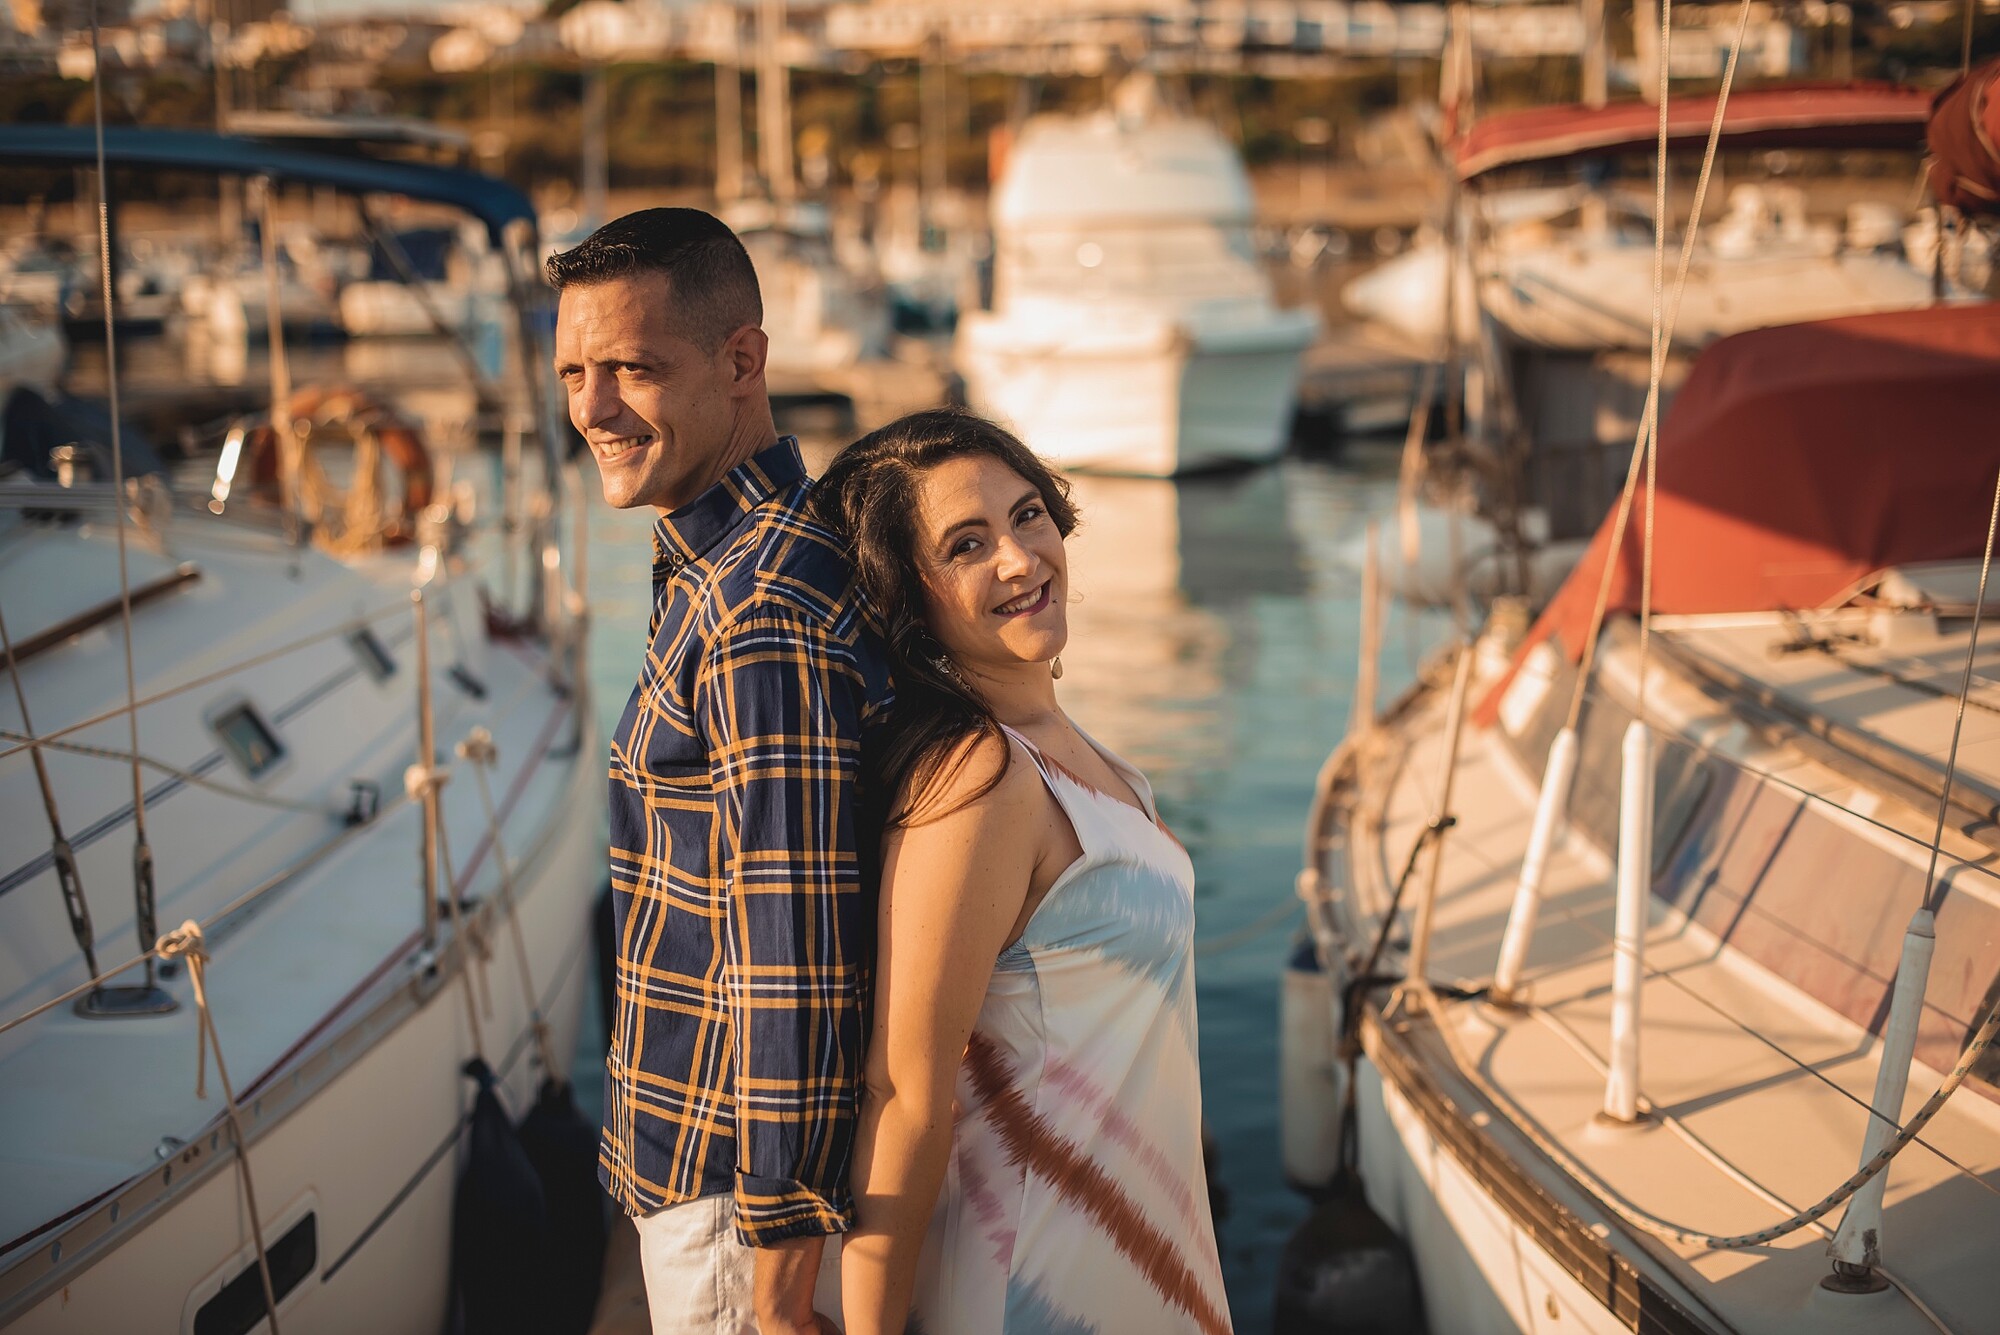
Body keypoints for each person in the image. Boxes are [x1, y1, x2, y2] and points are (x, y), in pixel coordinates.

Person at [811, 409, 1233, 1335]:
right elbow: (906, 1092)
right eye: (967, 544)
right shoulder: (981, 780)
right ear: (908, 594)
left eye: (1028, 514)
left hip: (1138, 1253)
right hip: (1042, 1278)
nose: (1018, 557)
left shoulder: (1075, 751)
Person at [548, 208, 893, 1335]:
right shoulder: (734, 562)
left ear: (741, 361)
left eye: (632, 370)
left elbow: (792, 957)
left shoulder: (757, 615)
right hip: (709, 1183)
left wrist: (782, 1287)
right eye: (573, 372)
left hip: (729, 1213)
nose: (592, 408)